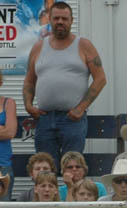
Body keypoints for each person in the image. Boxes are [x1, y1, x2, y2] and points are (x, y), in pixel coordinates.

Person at [23, 1, 106, 168]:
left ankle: (72, 196)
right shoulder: (38, 47)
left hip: (72, 120)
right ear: (49, 19)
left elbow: (100, 79)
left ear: (71, 20)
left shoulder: (83, 45)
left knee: (73, 170)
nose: (60, 21)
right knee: (45, 170)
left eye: (64, 18)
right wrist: (28, 105)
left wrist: (81, 108)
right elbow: (30, 80)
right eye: (56, 18)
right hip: (44, 119)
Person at [0, 70, 17, 199]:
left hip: (3, 165)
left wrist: (5, 130)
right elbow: (4, 131)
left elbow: (10, 132)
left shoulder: (8, 102)